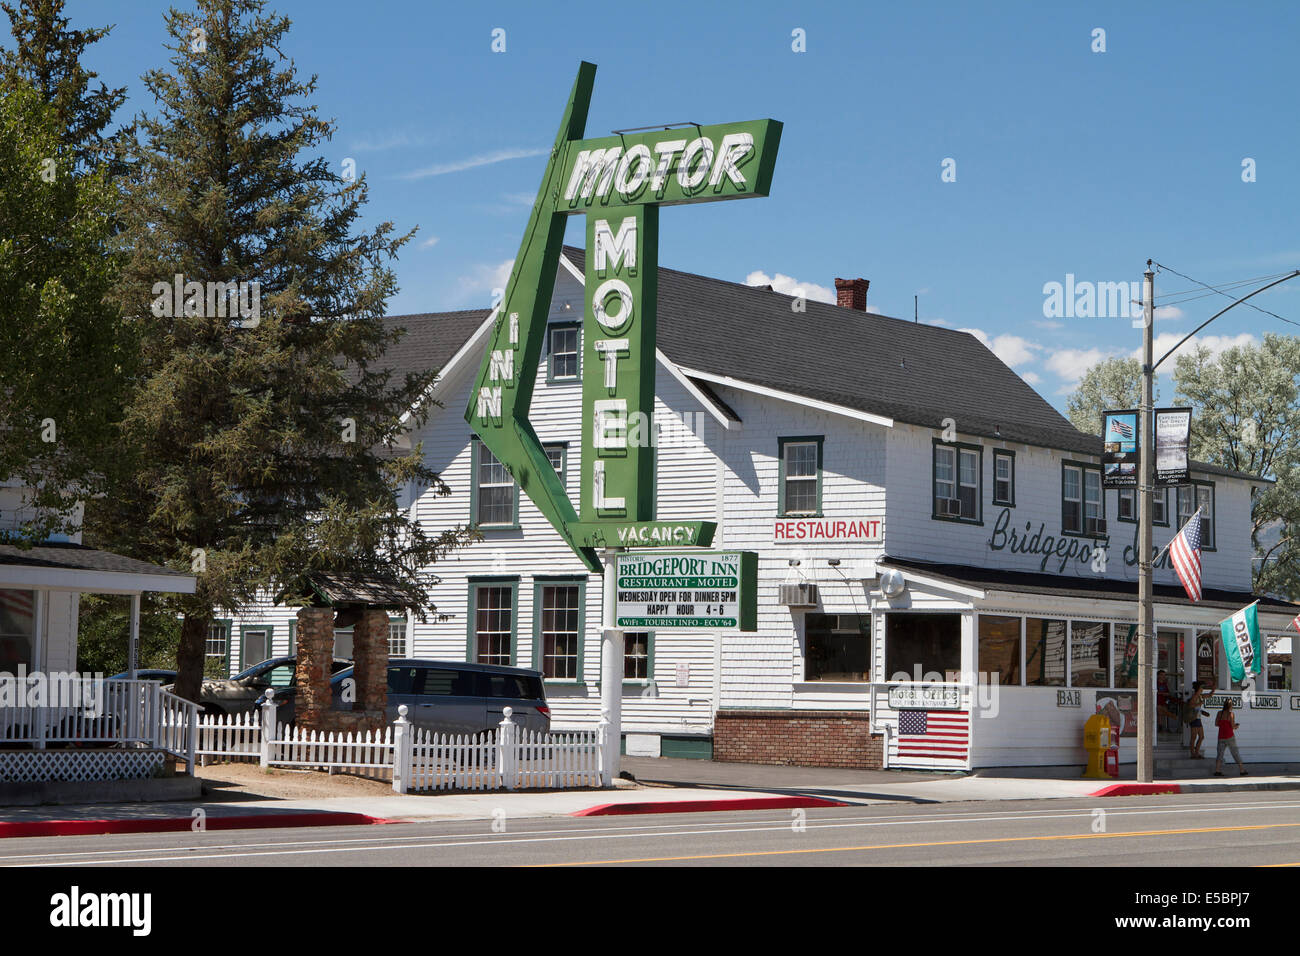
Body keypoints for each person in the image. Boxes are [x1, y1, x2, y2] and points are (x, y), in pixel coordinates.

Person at [1213, 699, 1247, 777]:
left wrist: (1223, 724)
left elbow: (1216, 724)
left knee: (1220, 754)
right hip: (1229, 736)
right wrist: (1236, 726)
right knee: (1235, 753)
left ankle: (1217, 771)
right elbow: (1232, 726)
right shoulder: (1231, 714)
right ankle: (1242, 770)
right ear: (1230, 706)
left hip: (1221, 736)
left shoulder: (1219, 713)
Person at [1185, 681, 1209, 758]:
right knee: (1194, 737)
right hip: (1194, 718)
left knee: (1201, 736)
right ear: (1198, 688)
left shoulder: (1199, 696)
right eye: (1201, 687)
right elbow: (1190, 705)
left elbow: (1209, 695)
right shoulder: (1195, 696)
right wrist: (1199, 704)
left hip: (1198, 717)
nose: (1202, 689)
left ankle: (1196, 753)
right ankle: (1193, 754)